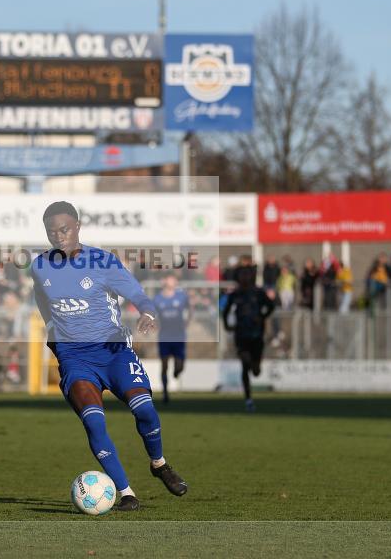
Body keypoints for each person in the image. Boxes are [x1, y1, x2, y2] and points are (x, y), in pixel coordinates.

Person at [30, 201, 187, 512]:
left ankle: (158, 464)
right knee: (94, 424)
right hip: (75, 358)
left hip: (113, 350)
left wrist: (147, 312)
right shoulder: (40, 265)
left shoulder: (102, 261)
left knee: (146, 412)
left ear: (77, 226)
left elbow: (139, 295)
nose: (59, 236)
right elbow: (42, 298)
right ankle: (126, 492)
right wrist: (52, 332)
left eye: (65, 229)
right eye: (52, 231)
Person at [221, 264, 275, 412]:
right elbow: (225, 312)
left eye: (247, 274)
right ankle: (248, 399)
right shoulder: (235, 294)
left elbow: (271, 306)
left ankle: (256, 364)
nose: (244, 277)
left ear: (251, 277)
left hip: (257, 335)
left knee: (256, 371)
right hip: (241, 335)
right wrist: (227, 325)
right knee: (245, 365)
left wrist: (262, 316)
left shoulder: (258, 293)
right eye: (241, 275)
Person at [152, 273, 192, 404]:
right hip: (164, 336)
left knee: (179, 365)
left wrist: (188, 321)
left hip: (179, 335)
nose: (173, 281)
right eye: (170, 279)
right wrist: (154, 323)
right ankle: (165, 393)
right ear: (165, 281)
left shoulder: (181, 296)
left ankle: (177, 372)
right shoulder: (157, 299)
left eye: (174, 279)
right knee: (164, 365)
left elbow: (190, 309)